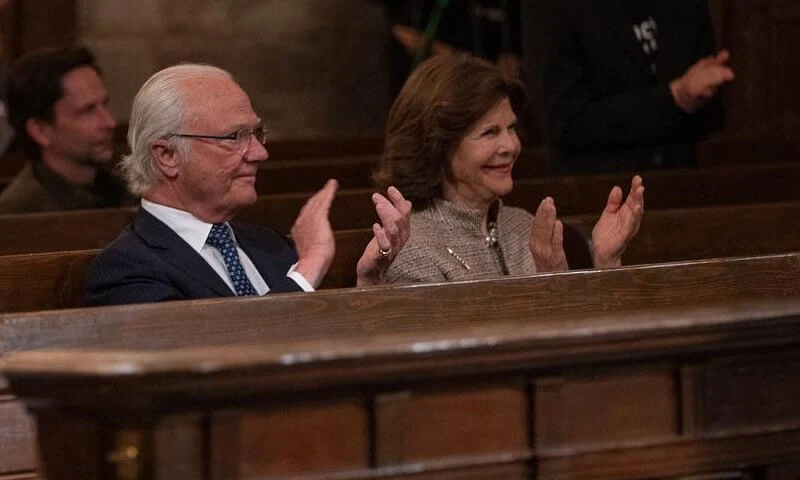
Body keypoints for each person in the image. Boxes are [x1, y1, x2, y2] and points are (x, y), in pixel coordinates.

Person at [85, 64, 410, 306]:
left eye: (256, 133)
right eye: (234, 137)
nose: (259, 152)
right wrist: (310, 263)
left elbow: (311, 347)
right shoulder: (126, 268)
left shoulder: (265, 243)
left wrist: (367, 284)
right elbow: (219, 369)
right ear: (167, 155)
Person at [374, 55, 644, 283]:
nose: (511, 145)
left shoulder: (524, 225)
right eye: (490, 132)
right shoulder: (410, 250)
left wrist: (607, 261)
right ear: (437, 146)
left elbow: (584, 334)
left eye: (511, 127)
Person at [525, 0, 735, 173]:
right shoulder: (553, 8)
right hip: (594, 191)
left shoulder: (684, 7)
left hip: (680, 183)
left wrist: (698, 92)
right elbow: (565, 124)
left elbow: (712, 118)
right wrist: (673, 99)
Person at [0, 46, 133, 213]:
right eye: (87, 110)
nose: (109, 122)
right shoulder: (16, 216)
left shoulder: (127, 192)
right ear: (41, 131)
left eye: (104, 105)